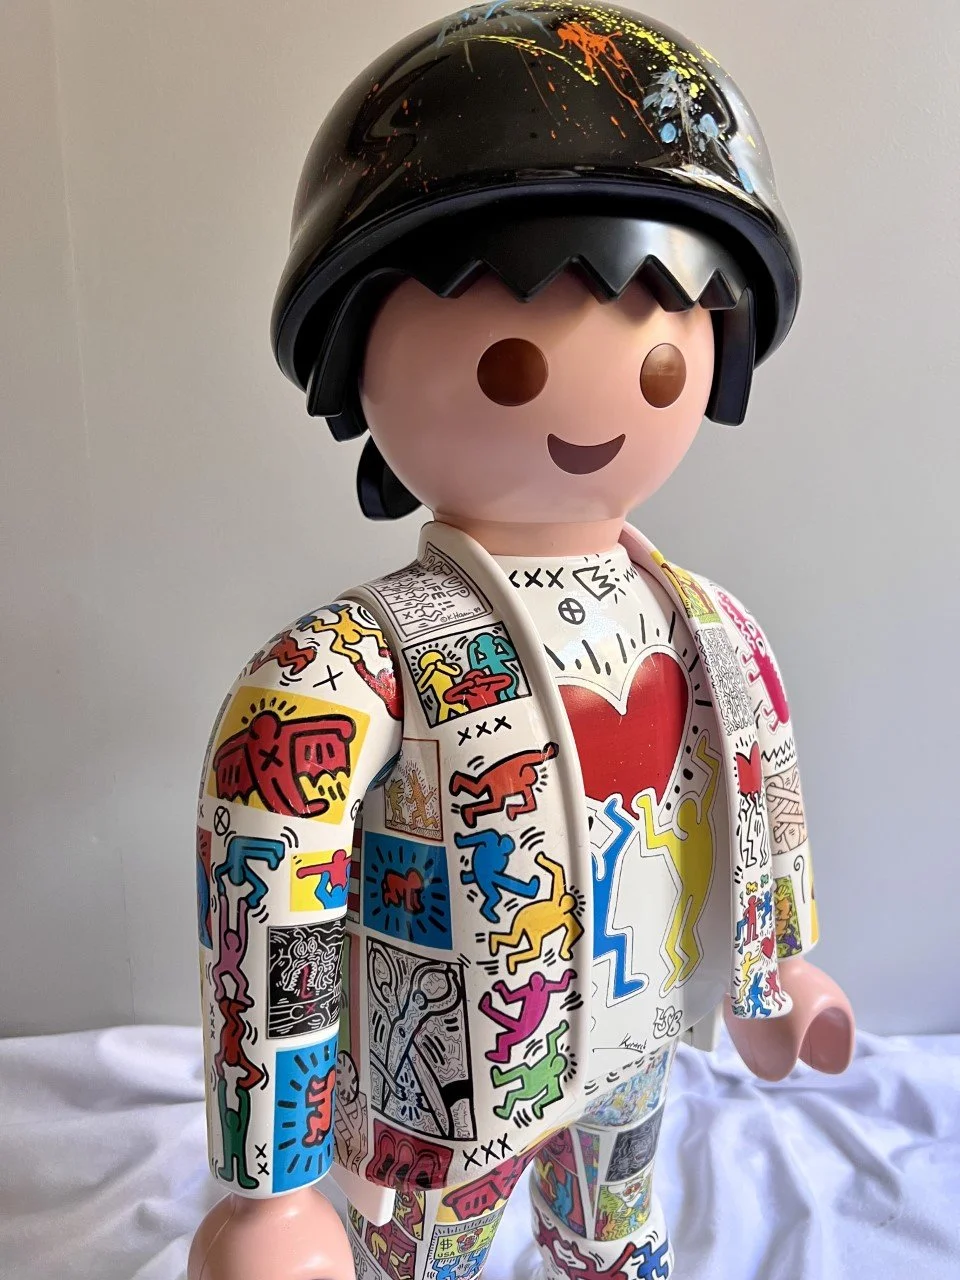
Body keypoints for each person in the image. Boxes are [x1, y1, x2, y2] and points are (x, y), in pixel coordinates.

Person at [188, 7, 854, 1279]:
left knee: (615, 1232)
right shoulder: (349, 663)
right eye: (506, 364)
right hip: (443, 1093)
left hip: (638, 1044)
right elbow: (266, 903)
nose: (596, 401)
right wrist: (270, 1184)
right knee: (421, 1260)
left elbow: (760, 795)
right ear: (360, 359)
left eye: (659, 365)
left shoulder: (713, 625)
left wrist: (777, 974)